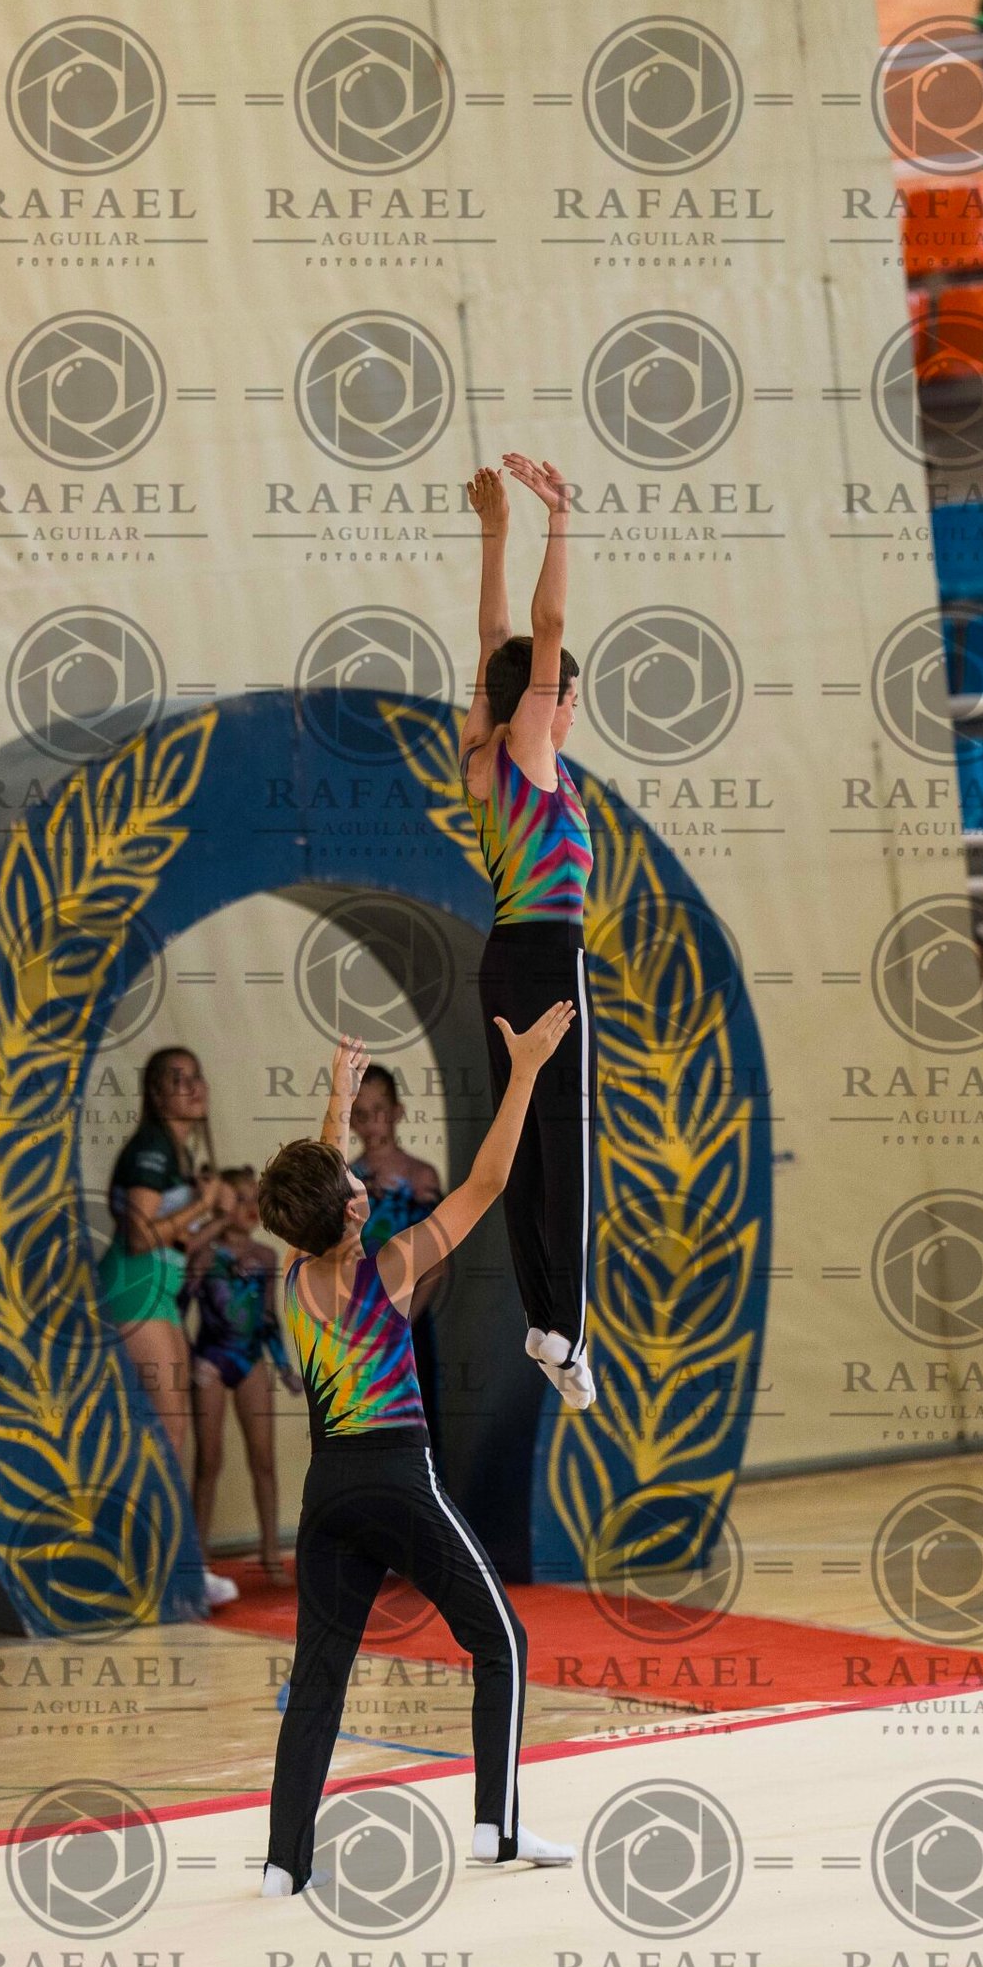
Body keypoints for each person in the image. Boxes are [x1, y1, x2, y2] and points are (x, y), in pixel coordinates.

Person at [257, 1018, 579, 1898]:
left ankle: (284, 1864)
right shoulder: (391, 1268)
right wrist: (524, 1072)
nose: (358, 1180)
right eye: (353, 1184)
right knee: (501, 1641)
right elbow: (488, 1182)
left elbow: (316, 1194)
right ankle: (497, 1826)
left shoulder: (296, 1279)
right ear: (355, 1210)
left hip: (328, 1494)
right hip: (398, 1478)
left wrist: (337, 1096)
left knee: (319, 1676)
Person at [459, 453, 596, 1412]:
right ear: (548, 703)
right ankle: (572, 1332)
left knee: (527, 1142)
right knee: (565, 1142)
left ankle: (544, 1320)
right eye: (565, 696)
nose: (568, 710)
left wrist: (493, 534)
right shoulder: (532, 750)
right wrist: (557, 518)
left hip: (502, 958)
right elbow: (543, 630)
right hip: (550, 958)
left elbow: (496, 641)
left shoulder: (479, 750)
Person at [97, 1046, 240, 1607]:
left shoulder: (178, 1152)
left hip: (158, 1297)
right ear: (156, 1096)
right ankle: (165, 1569)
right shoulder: (152, 1148)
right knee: (169, 1432)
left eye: (196, 1076)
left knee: (168, 1433)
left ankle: (172, 1564)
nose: (194, 1087)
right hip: (134, 1293)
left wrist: (220, 1215)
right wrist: (202, 1204)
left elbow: (178, 1241)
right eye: (178, 1081)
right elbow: (139, 1236)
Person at [186, 1166, 302, 1587]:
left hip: (250, 1359)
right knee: (208, 1461)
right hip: (212, 1359)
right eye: (239, 1200)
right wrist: (188, 1359)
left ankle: (271, 1556)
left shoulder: (266, 1257)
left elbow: (268, 1319)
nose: (251, 1207)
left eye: (254, 1198)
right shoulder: (204, 1254)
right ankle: (197, 1559)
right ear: (220, 1206)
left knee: (263, 1461)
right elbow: (177, 1305)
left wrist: (284, 1368)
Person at [349, 1064, 447, 1455]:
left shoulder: (421, 1178)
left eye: (378, 1110)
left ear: (397, 1112)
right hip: (358, 1326)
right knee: (365, 1435)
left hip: (409, 1324)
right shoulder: (345, 1180)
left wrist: (403, 1320)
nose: (370, 1122)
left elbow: (437, 1263)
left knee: (419, 1433)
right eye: (360, 1113)